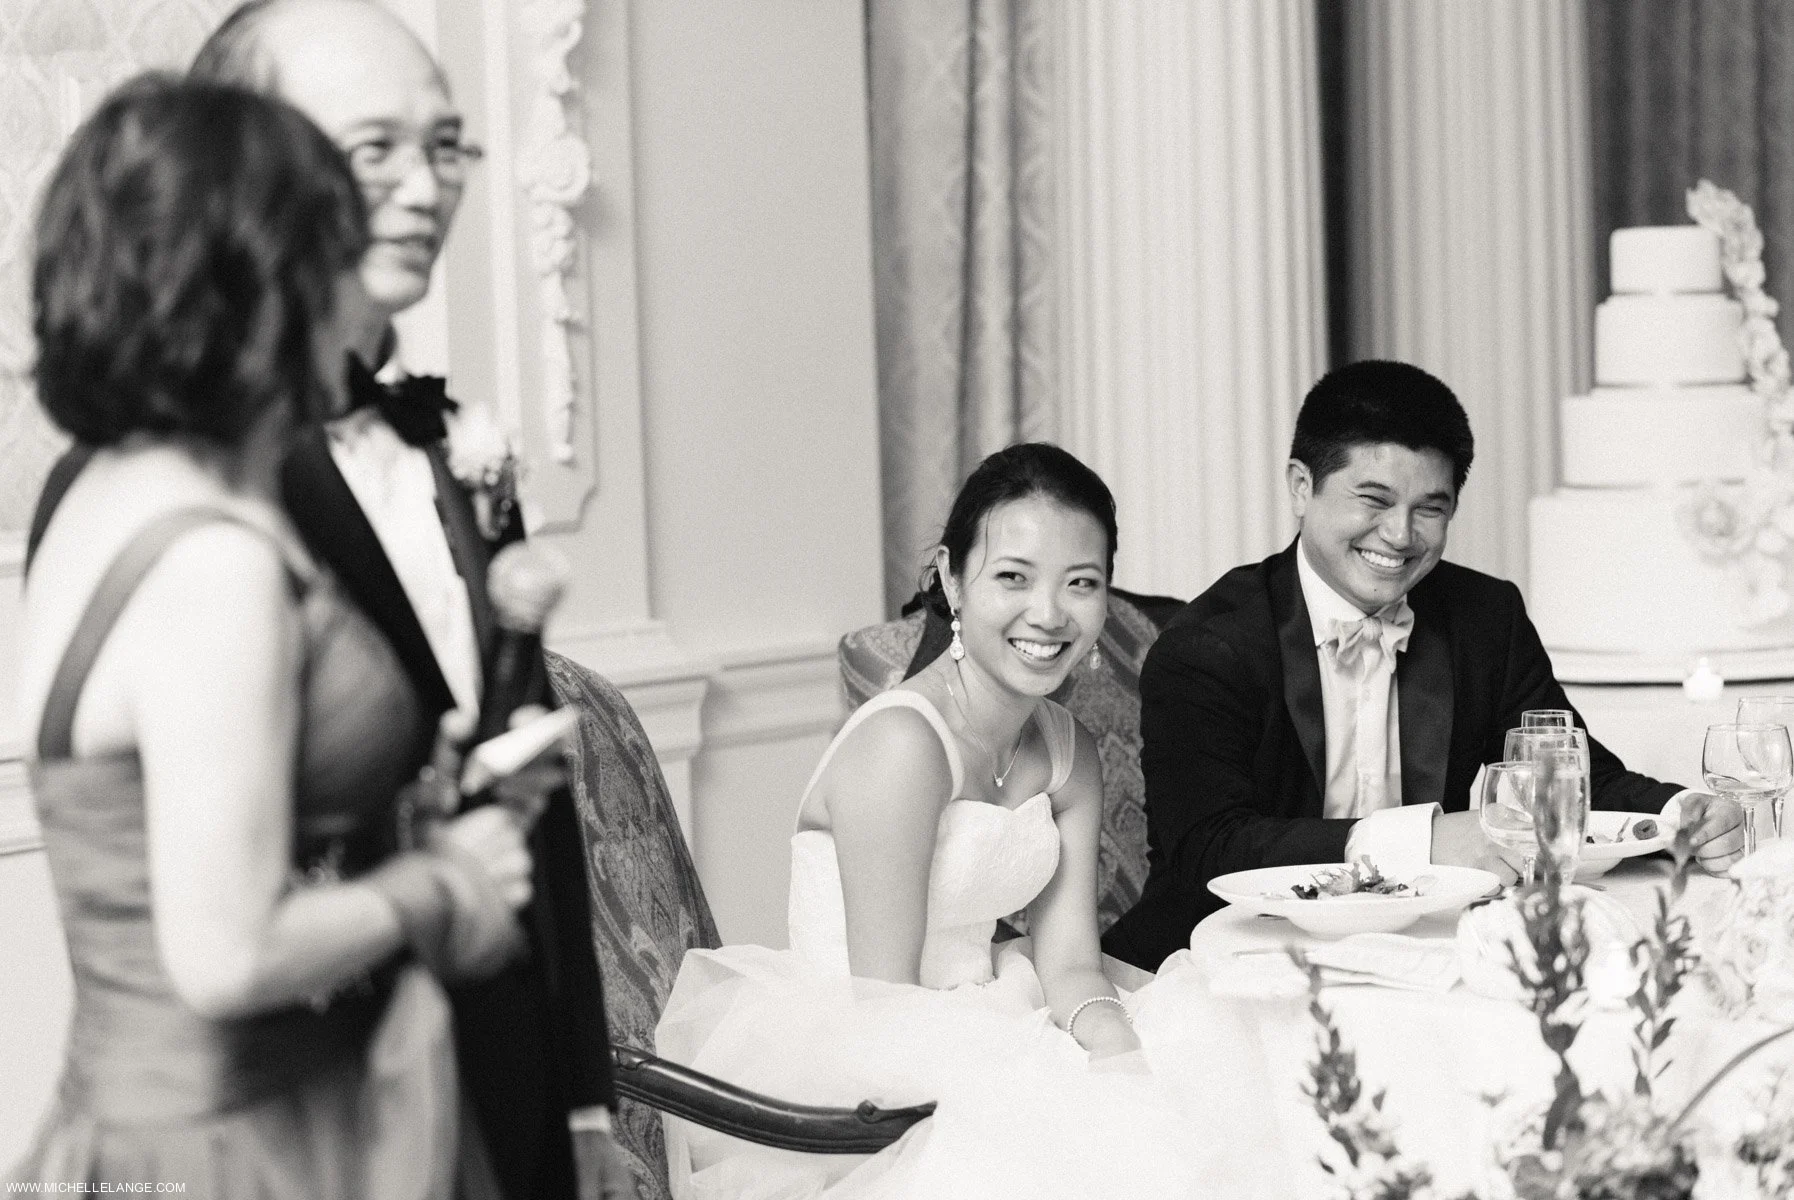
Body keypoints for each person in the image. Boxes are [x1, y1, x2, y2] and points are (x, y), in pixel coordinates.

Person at [11, 75, 532, 1196]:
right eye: (333, 257)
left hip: (161, 1118)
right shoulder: (213, 566)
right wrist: (441, 885)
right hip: (250, 1143)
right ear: (261, 290)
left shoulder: (106, 493)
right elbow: (228, 951)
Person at [185, 4, 626, 1196]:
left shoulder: (457, 453)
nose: (427, 185)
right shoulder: (187, 475)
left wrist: (583, 1102)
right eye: (371, 148)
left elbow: (532, 795)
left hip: (505, 1078)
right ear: (238, 157)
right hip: (310, 1098)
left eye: (443, 146)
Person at [654, 443, 1284, 1200]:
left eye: (1081, 583)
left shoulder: (1066, 749)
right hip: (866, 1056)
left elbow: (1071, 962)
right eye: (1012, 577)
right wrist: (1040, 1093)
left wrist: (1124, 1063)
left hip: (992, 1008)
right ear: (952, 580)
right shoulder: (904, 746)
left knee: (1216, 1091)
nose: (1049, 615)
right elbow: (883, 1002)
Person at [1102, 359, 1747, 972]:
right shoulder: (1211, 645)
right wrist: (1425, 842)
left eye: (1430, 509)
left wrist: (1682, 813)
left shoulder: (1483, 617)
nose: (1401, 535)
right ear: (1302, 487)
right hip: (1228, 962)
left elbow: (1573, 777)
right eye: (1374, 500)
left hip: (1427, 957)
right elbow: (1207, 848)